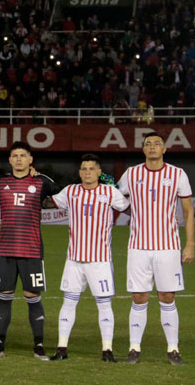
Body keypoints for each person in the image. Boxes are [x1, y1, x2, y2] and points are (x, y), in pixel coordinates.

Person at [0, 141, 61, 360]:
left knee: (32, 295)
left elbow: (65, 195)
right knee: (4, 295)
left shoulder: (41, 182)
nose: (19, 159)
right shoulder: (1, 182)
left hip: (32, 249)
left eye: (23, 155)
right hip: (5, 249)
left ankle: (39, 346)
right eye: (15, 155)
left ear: (30, 159)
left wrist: (43, 175)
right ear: (10, 160)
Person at [118, 132, 195, 365]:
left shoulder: (177, 174)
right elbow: (113, 195)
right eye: (147, 144)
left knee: (167, 296)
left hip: (168, 247)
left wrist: (190, 243)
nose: (152, 147)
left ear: (164, 149)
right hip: (138, 247)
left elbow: (189, 211)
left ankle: (173, 348)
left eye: (156, 144)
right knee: (139, 296)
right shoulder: (131, 174)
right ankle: (134, 348)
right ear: (143, 150)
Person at [48, 154, 129, 362]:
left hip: (99, 260)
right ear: (79, 172)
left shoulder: (110, 192)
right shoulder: (70, 191)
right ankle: (61, 348)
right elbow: (49, 202)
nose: (87, 172)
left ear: (99, 172)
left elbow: (131, 208)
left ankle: (107, 350)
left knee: (104, 304)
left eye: (92, 169)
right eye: (84, 168)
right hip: (74, 259)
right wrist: (38, 180)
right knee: (68, 302)